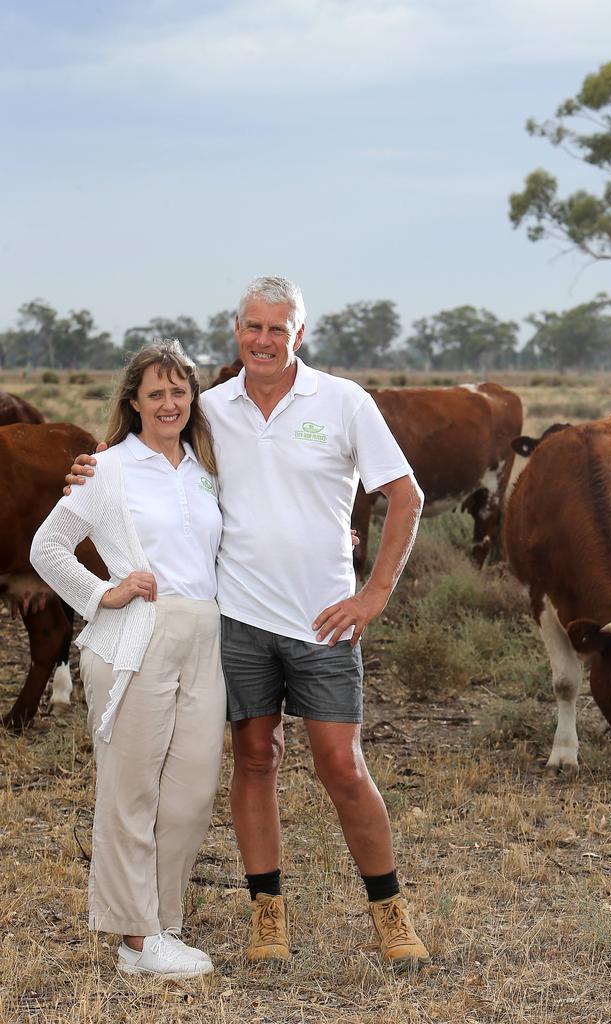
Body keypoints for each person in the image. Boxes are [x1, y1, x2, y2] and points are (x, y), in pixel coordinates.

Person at [69, 276, 431, 971]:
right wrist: (89, 472)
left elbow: (405, 496)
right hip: (236, 621)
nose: (264, 340)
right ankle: (268, 916)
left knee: (343, 766)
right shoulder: (211, 409)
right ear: (237, 331)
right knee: (256, 760)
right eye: (252, 327)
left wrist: (375, 593)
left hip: (324, 621)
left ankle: (391, 915)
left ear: (301, 334)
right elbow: (150, 456)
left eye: (279, 328)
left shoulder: (343, 401)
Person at [32, 341, 224, 980]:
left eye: (178, 392)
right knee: (130, 791)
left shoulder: (205, 468)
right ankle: (137, 940)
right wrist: (99, 593)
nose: (169, 404)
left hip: (205, 636)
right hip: (135, 637)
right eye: (155, 394)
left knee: (192, 793)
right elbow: (48, 545)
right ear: (134, 403)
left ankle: (162, 922)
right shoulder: (108, 469)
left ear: (190, 398)